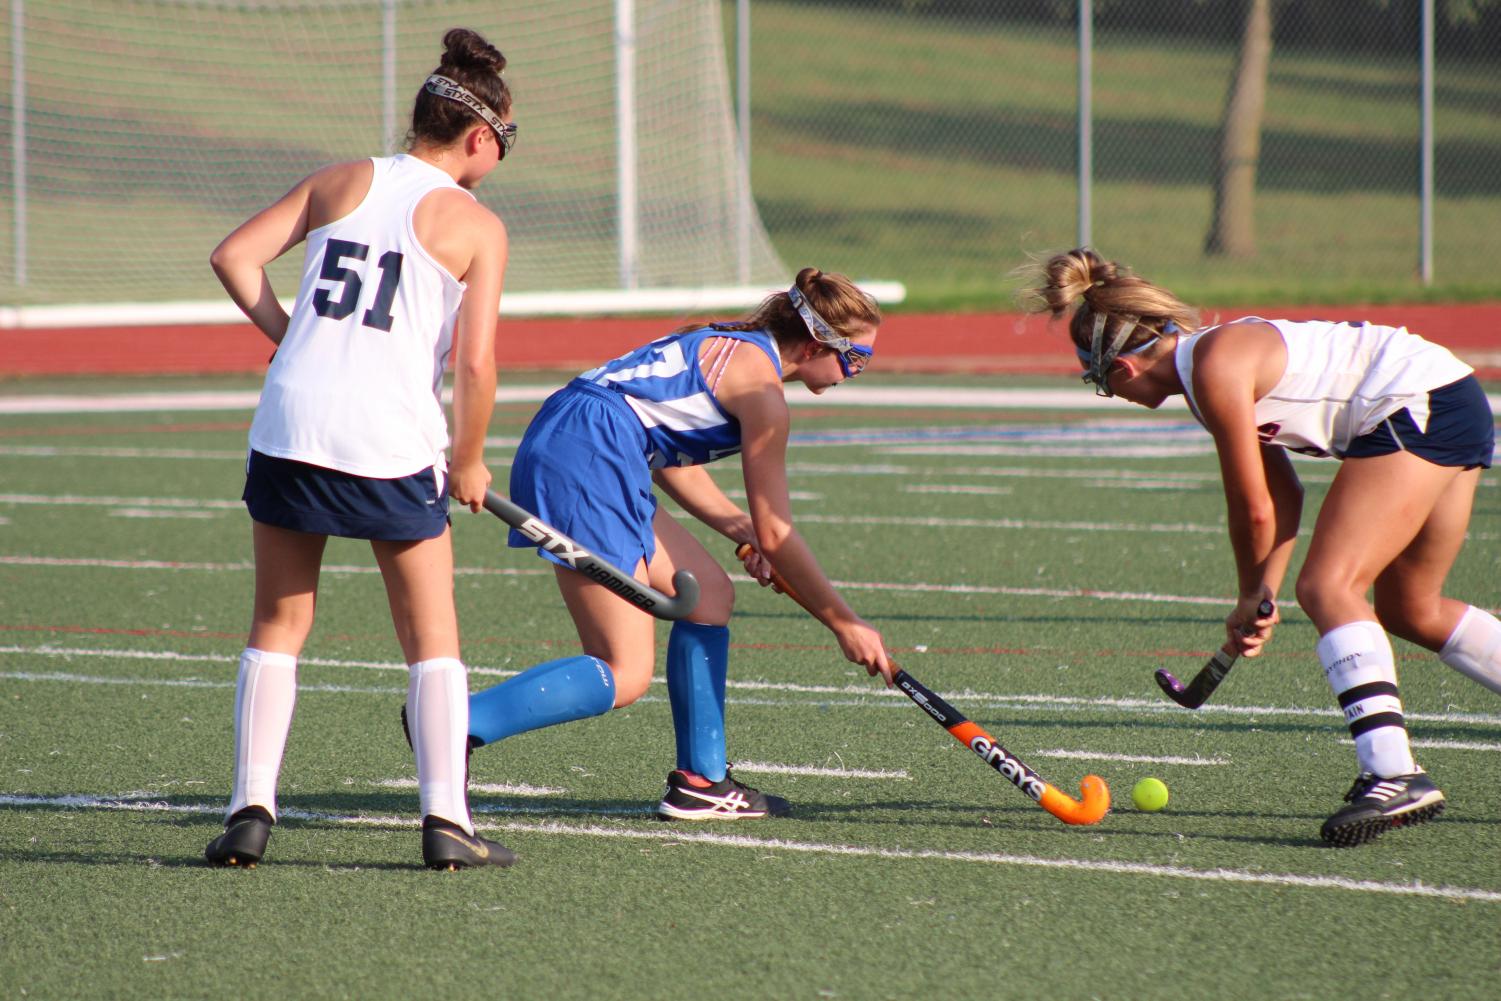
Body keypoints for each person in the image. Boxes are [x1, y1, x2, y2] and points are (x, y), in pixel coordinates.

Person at [1026, 247, 1497, 847]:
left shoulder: (1216, 367)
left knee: (1330, 587)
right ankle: (1393, 768)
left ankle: (1393, 771)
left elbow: (1252, 505)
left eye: (1100, 383)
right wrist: (1263, 596)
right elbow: (1284, 493)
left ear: (1120, 369)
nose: (1110, 394)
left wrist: (1250, 592)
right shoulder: (1210, 363)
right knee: (1412, 609)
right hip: (1447, 396)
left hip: (1412, 404)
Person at [203, 28, 516, 870]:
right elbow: (478, 362)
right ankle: (446, 821)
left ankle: (248, 812)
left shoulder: (340, 179)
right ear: (479, 136)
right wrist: (472, 458)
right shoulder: (476, 223)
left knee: (278, 621)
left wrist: (288, 333)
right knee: (430, 634)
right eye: (506, 143)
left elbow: (233, 256)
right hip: (388, 435)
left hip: (292, 422)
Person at [458, 268, 895, 820]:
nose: (854, 373)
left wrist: (740, 528)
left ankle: (701, 782)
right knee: (623, 671)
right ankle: (456, 724)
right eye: (854, 360)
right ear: (813, 344)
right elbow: (779, 533)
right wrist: (844, 622)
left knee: (710, 598)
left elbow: (668, 460)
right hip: (593, 452)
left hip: (587, 438)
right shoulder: (763, 394)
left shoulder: (726, 339)